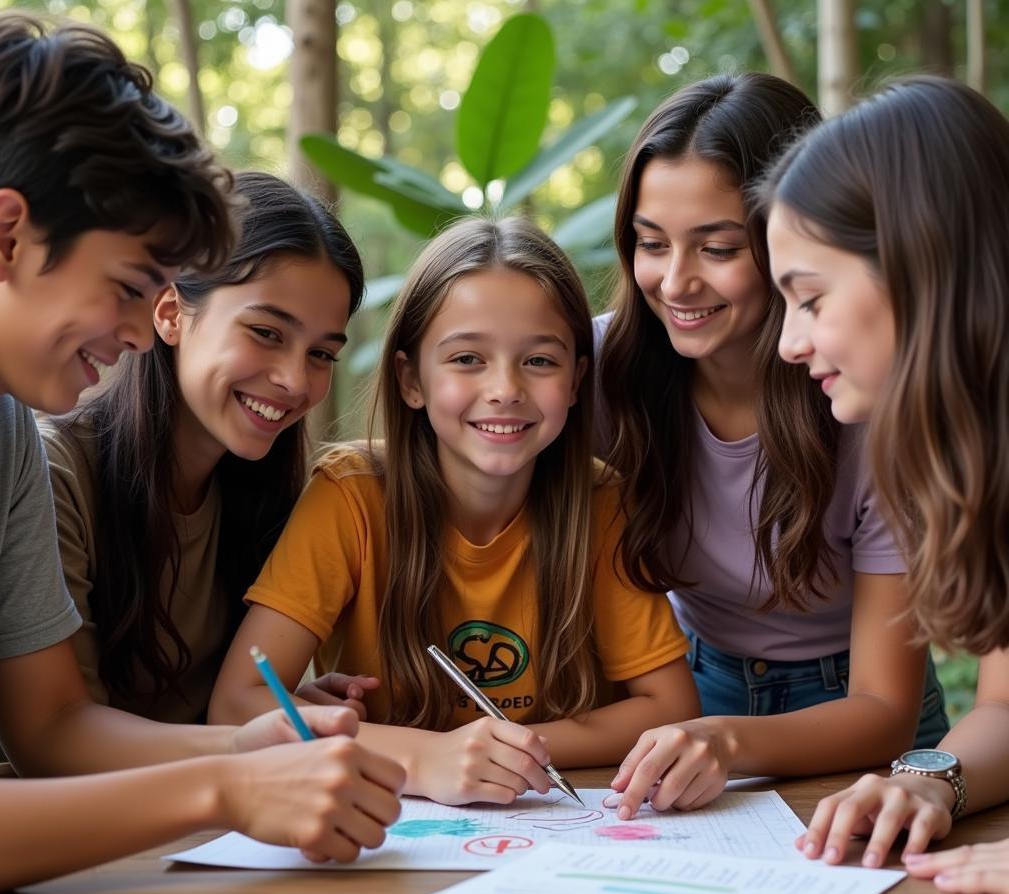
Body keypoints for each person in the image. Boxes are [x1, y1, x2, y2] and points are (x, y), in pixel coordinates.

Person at [0, 11, 402, 894]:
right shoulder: (56, 453)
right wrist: (228, 782)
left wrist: (248, 749)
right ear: (4, 237)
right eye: (131, 289)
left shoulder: (7, 434)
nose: (142, 331)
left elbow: (53, 728)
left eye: (322, 352)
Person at [209, 216, 701, 805]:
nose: (505, 388)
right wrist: (426, 757)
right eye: (468, 358)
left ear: (576, 381)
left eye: (540, 361)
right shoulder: (350, 496)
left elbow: (671, 710)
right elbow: (238, 705)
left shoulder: (601, 502)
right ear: (411, 379)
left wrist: (498, 749)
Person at [597, 73, 948, 821]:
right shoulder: (601, 370)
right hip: (691, 694)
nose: (677, 282)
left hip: (861, 720)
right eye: (651, 244)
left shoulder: (872, 400)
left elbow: (884, 704)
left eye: (718, 248)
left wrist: (726, 742)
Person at [762, 75, 1009, 894]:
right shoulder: (980, 465)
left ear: (918, 260)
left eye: (809, 298)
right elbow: (1006, 712)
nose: (790, 343)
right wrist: (929, 780)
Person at [38, 170, 375, 728]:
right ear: (170, 313)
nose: (296, 380)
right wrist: (248, 744)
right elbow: (65, 741)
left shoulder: (274, 493)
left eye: (321, 354)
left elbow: (220, 708)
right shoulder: (54, 474)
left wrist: (285, 707)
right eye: (266, 332)